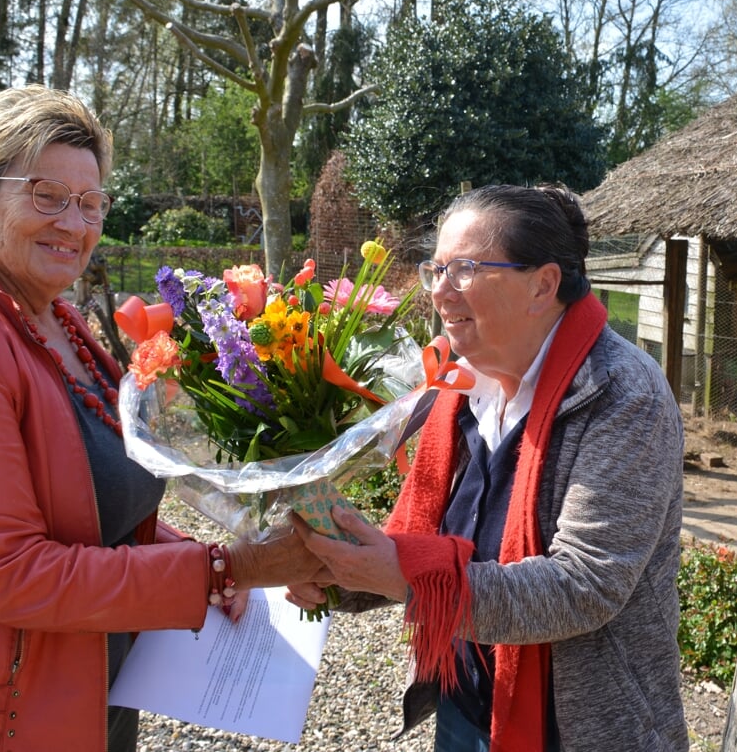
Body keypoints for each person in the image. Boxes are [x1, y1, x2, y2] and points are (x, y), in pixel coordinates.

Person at [0, 86, 325, 752]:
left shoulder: (55, 321)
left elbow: (87, 508)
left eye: (90, 203)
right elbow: (5, 570)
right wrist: (226, 568)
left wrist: (209, 557)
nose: (74, 225)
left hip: (69, 691)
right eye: (46, 195)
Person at [288, 183, 688, 751]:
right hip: (466, 701)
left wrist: (403, 579)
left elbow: (585, 586)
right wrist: (339, 572)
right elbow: (428, 543)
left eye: (466, 269)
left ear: (543, 285)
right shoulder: (459, 386)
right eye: (436, 270)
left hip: (572, 732)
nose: (440, 292)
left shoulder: (622, 395)